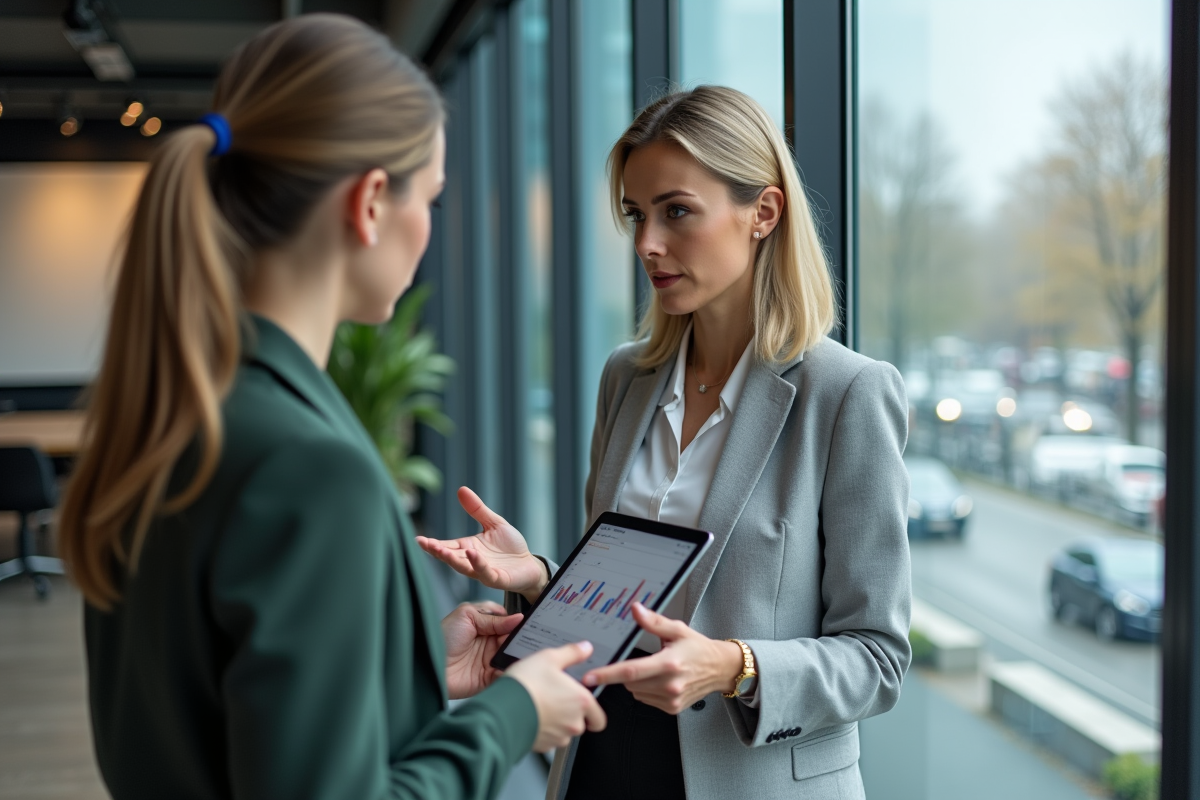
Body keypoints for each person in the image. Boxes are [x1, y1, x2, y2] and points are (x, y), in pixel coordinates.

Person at [57, 15, 604, 800]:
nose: (428, 232)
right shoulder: (308, 466)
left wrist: (407, 674)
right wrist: (512, 717)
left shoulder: (177, 416)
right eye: (435, 201)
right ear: (372, 202)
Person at [417, 85, 911, 800]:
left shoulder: (847, 394)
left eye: (677, 211)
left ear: (762, 213)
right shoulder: (629, 376)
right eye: (637, 214)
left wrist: (735, 666)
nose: (648, 243)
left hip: (747, 775)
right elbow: (636, 602)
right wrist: (540, 579)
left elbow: (878, 657)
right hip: (599, 754)